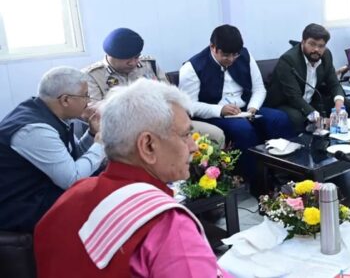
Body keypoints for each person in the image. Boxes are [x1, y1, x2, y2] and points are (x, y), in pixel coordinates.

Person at [34, 79, 230, 277]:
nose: (194, 146)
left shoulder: (70, 198)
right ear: (148, 146)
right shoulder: (169, 226)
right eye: (186, 135)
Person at [179, 25, 294, 177]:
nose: (231, 60)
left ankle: (289, 173)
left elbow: (259, 89)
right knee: (243, 129)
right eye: (226, 55)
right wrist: (219, 110)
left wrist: (253, 107)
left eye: (235, 55)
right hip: (216, 115)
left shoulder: (245, 56)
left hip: (246, 109)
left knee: (279, 118)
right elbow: (189, 106)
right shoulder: (192, 67)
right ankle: (258, 181)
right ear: (213, 47)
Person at [0, 67, 106, 233]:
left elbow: (72, 158)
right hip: (20, 205)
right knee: (99, 199)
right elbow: (73, 179)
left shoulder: (48, 114)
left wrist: (92, 134)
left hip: (40, 190)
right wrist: (100, 145)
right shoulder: (35, 130)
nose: (89, 100)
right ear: (65, 100)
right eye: (85, 95)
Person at [84, 27, 225, 145]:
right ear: (111, 55)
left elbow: (170, 96)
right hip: (124, 135)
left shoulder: (149, 65)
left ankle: (204, 177)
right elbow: (97, 115)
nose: (134, 63)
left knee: (216, 135)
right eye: (128, 59)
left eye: (137, 56)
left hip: (162, 125)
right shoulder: (92, 75)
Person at [266, 23, 350, 132]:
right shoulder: (288, 60)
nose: (316, 49)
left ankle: (333, 141)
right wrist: (320, 120)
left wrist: (339, 104)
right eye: (312, 44)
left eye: (321, 46)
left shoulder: (326, 55)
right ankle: (308, 144)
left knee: (346, 103)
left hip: (310, 100)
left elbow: (334, 83)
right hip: (286, 103)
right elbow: (294, 97)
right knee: (298, 117)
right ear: (303, 42)